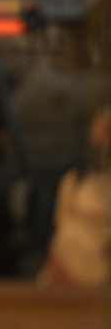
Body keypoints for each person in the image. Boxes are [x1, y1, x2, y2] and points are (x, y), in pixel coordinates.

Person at [43, 108, 111, 286]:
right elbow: (61, 229)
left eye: (108, 130)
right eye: (100, 129)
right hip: (69, 270)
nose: (103, 139)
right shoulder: (73, 181)